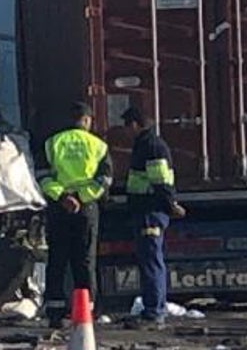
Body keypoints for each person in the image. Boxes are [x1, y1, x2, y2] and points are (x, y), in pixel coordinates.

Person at [39, 102, 113, 327]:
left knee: (57, 259)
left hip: (59, 208)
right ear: (87, 120)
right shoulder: (98, 145)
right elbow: (105, 180)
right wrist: (81, 198)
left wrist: (63, 198)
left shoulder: (52, 143)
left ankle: (55, 312)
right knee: (85, 260)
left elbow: (42, 176)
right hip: (86, 209)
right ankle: (85, 312)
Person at [123, 107, 185, 325]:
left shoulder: (151, 146)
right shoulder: (147, 144)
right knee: (150, 260)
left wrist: (170, 205)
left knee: (151, 261)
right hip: (147, 210)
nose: (126, 131)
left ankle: (154, 311)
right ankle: (154, 308)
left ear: (135, 124)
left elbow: (160, 181)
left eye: (127, 126)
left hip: (150, 211)